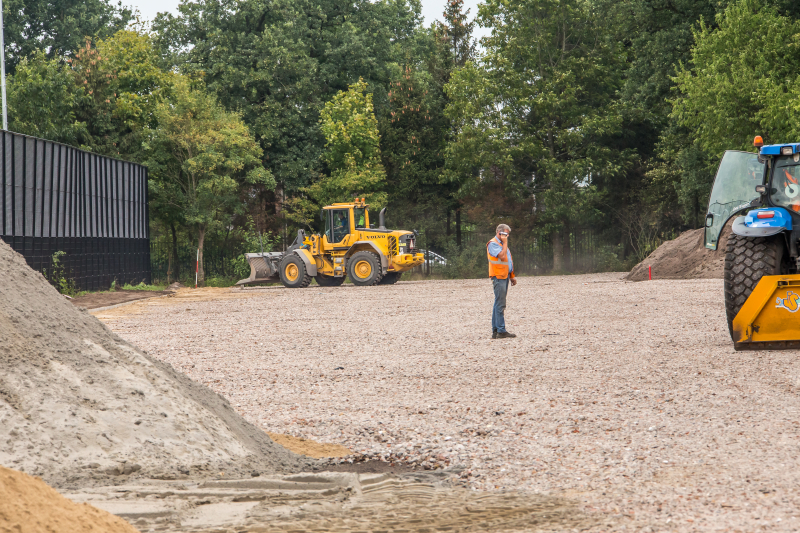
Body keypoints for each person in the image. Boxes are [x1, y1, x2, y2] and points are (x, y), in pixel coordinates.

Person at [487, 224, 517, 339]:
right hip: (498, 276)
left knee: (497, 303)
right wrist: (505, 243)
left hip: (504, 276)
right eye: (506, 233)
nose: (507, 236)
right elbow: (502, 256)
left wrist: (512, 276)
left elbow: (508, 262)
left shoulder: (501, 244)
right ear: (499, 232)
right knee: (500, 304)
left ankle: (496, 330)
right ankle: (501, 330)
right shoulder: (493, 244)